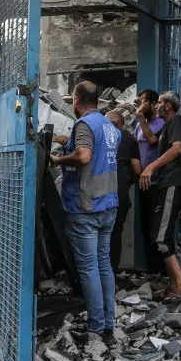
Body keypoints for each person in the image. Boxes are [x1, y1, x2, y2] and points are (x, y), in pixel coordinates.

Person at [49, 82, 121, 340]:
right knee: (104, 264)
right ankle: (108, 324)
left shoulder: (83, 125)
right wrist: (67, 141)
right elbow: (98, 151)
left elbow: (84, 157)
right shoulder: (110, 127)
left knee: (89, 267)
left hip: (85, 207)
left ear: (76, 101)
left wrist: (59, 159)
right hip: (108, 205)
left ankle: (95, 326)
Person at [139, 91, 181, 302]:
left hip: (173, 184)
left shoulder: (177, 121)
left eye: (159, 103)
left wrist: (151, 167)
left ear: (168, 106)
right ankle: (174, 284)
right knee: (161, 235)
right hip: (166, 184)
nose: (156, 106)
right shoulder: (165, 127)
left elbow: (177, 149)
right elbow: (151, 139)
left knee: (160, 238)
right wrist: (140, 116)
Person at [133, 90, 166, 273]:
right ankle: (151, 271)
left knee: (156, 229)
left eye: (144, 102)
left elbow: (153, 141)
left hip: (156, 183)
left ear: (154, 105)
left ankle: (161, 271)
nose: (140, 105)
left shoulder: (160, 124)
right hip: (142, 184)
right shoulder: (140, 125)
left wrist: (141, 118)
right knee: (145, 227)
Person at [107, 110, 141, 272]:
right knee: (115, 235)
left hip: (98, 193)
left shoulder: (98, 135)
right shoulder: (128, 138)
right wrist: (128, 181)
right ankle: (111, 278)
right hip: (120, 194)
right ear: (122, 124)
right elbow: (137, 169)